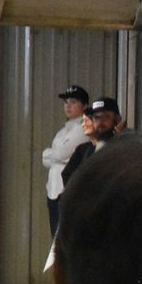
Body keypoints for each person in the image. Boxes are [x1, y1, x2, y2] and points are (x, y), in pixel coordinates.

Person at [42, 85, 90, 236]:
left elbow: (61, 153)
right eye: (66, 102)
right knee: (55, 238)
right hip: (53, 191)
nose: (68, 105)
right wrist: (56, 157)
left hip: (67, 191)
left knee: (64, 238)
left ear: (84, 106)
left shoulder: (83, 129)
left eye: (74, 101)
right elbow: (46, 158)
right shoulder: (62, 132)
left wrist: (56, 157)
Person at [61, 97, 122, 188]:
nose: (100, 122)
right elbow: (67, 175)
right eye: (96, 117)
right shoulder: (83, 150)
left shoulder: (123, 148)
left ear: (116, 120)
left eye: (106, 117)